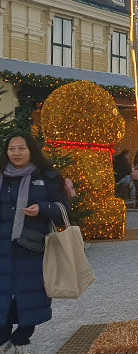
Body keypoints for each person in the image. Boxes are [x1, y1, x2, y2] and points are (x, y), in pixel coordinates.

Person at [0, 132, 70, 353]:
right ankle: (3, 338)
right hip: (2, 250)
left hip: (31, 249)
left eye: (22, 148)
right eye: (12, 148)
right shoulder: (1, 176)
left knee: (28, 295)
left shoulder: (47, 177)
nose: (16, 153)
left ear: (31, 150)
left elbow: (62, 209)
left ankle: (22, 337)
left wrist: (42, 208)